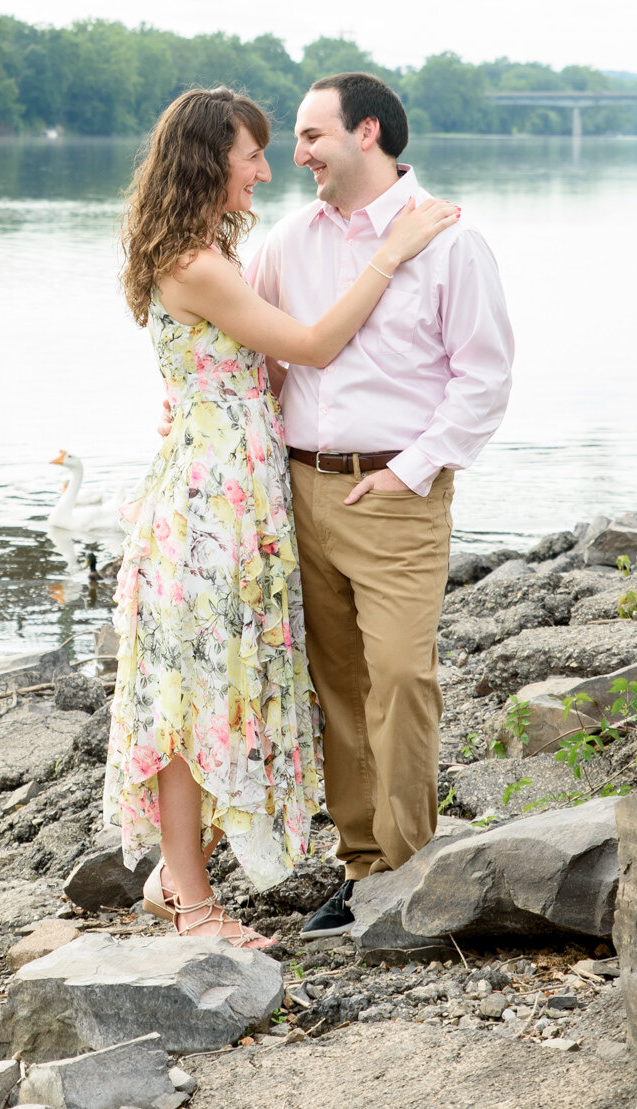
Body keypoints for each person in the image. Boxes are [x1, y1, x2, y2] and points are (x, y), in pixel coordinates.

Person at [106, 87, 461, 946]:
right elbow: (306, 347)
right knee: (196, 693)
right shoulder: (200, 262)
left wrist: (212, 397)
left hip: (235, 486)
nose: (268, 169)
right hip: (212, 501)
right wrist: (394, 250)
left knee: (216, 686)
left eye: (283, 146)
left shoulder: (209, 251)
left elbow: (243, 368)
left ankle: (177, 877)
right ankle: (192, 902)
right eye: (252, 155)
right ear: (208, 161)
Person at [246, 72, 513, 934]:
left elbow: (484, 379)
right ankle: (362, 869)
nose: (298, 153)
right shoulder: (289, 240)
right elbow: (250, 351)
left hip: (395, 493)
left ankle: (409, 863)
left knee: (401, 674)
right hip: (301, 487)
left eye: (311, 135)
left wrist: (415, 469)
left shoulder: (449, 243)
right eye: (293, 138)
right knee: (339, 686)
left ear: (367, 134)